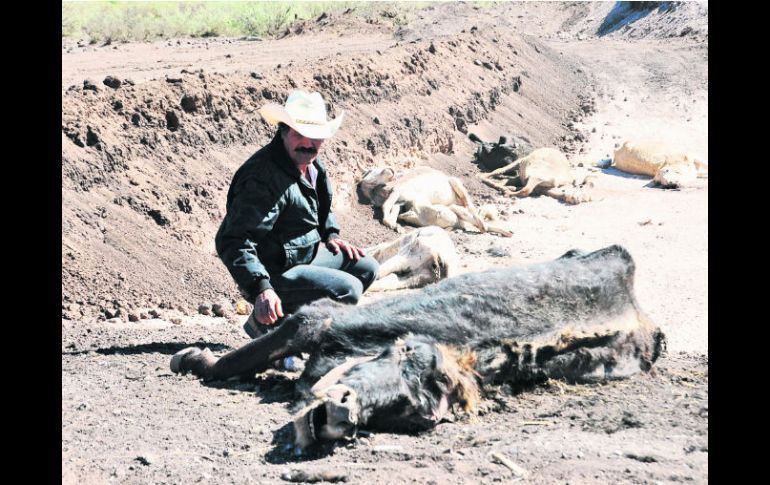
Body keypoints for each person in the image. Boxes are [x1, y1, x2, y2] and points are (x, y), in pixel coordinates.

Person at [215, 90, 379, 342]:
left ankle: (287, 326)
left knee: (366, 267)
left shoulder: (312, 165)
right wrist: (261, 288)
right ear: (283, 131)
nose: (307, 143)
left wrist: (330, 234)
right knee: (348, 290)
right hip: (273, 271)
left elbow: (320, 207)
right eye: (299, 134)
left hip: (304, 255)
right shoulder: (262, 179)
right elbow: (233, 240)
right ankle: (281, 330)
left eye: (315, 137)